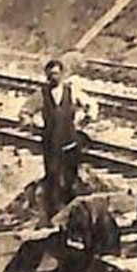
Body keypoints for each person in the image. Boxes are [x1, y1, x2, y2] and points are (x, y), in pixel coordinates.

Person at [21, 55, 100, 219]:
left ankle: (73, 216)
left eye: (56, 74)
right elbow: (24, 112)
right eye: (50, 75)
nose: (53, 77)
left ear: (62, 74)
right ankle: (54, 217)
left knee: (71, 180)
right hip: (51, 146)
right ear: (46, 76)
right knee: (53, 180)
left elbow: (91, 104)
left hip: (70, 143)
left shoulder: (72, 91)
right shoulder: (41, 94)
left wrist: (88, 118)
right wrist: (32, 124)